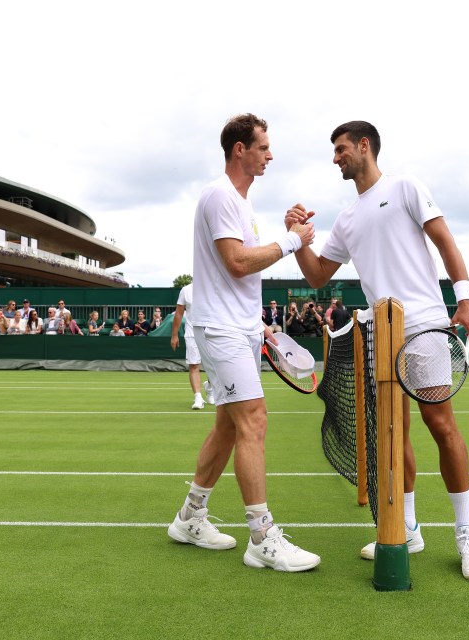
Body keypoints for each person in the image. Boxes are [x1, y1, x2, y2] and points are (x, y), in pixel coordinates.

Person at [286, 119, 469, 581]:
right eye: (333, 151)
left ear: (364, 146)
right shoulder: (345, 219)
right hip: (381, 333)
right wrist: (298, 238)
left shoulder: (405, 187)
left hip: (424, 328)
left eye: (341, 149)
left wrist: (465, 298)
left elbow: (445, 241)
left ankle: (467, 533)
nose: (335, 157)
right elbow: (318, 275)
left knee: (441, 425)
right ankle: (409, 527)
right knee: (394, 435)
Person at [169, 113, 320, 573]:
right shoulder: (219, 195)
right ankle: (262, 537)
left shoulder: (237, 203)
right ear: (240, 149)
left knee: (229, 426)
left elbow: (234, 279)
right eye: (263, 147)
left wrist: (262, 326)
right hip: (221, 332)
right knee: (254, 419)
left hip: (239, 328)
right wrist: (291, 241)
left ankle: (190, 517)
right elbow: (236, 262)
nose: (270, 154)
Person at [172, 282, 209, 410]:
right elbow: (178, 313)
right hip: (192, 333)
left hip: (213, 333)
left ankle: (209, 386)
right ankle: (198, 397)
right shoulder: (186, 290)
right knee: (194, 365)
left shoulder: (216, 287)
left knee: (215, 366)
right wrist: (174, 335)